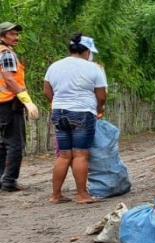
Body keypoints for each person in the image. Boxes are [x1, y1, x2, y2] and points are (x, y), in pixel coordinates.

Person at [43, 34, 107, 204]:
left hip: (59, 113)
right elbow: (101, 96)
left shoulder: (54, 66)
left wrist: (58, 103)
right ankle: (82, 194)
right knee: (80, 154)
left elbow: (47, 90)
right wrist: (99, 109)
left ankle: (56, 195)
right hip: (82, 113)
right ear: (86, 51)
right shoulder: (93, 68)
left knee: (64, 155)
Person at [0, 21, 39, 192]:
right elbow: (10, 79)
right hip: (9, 104)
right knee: (15, 144)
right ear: (2, 36)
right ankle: (9, 181)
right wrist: (27, 101)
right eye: (12, 34)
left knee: (2, 144)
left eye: (17, 34)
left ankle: (2, 179)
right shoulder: (6, 54)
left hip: (1, 105)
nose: (17, 37)